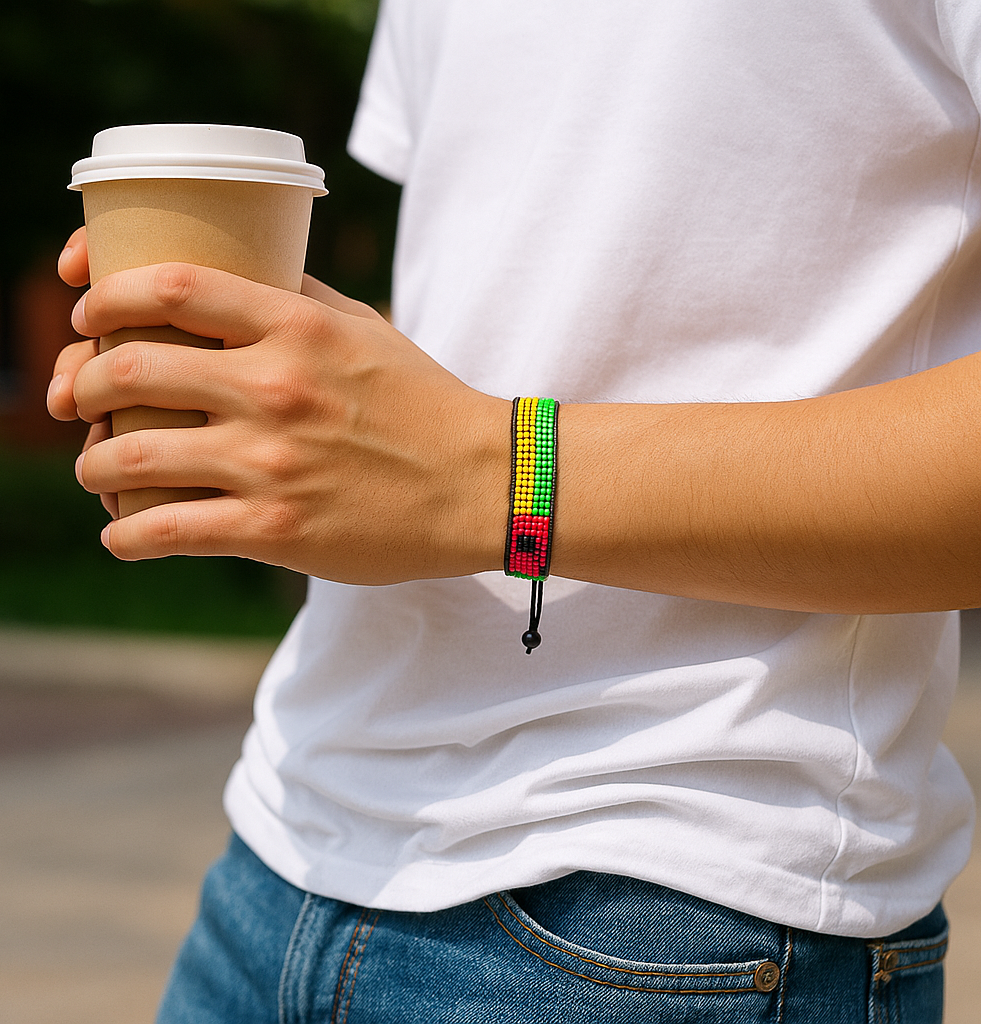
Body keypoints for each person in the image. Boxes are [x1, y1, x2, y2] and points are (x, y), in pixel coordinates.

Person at [48, 1, 978, 1020]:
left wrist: (495, 474)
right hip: (283, 851)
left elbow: (472, 445)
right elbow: (522, 286)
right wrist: (289, 416)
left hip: (677, 907)